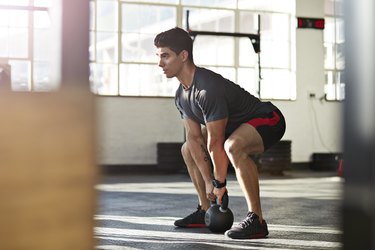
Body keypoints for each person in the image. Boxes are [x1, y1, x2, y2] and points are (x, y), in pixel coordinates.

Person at [154, 27, 286, 239]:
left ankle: (257, 220)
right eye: (159, 57)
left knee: (232, 146)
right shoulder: (181, 96)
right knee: (187, 148)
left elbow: (215, 141)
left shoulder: (207, 87)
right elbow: (195, 138)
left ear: (184, 55)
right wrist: (208, 183)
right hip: (234, 129)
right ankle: (205, 209)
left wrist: (220, 184)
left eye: (165, 56)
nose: (160, 63)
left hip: (269, 118)